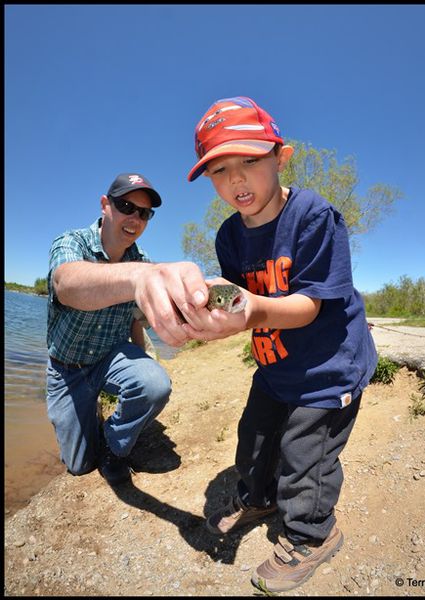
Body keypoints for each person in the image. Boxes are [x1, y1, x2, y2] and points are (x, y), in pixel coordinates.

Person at [184, 97, 378, 593]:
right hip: (275, 366)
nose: (236, 179)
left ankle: (313, 534)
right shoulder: (229, 235)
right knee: (254, 439)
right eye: (220, 170)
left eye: (249, 160)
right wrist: (204, 314)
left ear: (280, 156)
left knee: (305, 455)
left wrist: (252, 310)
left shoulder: (314, 216)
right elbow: (234, 300)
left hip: (327, 368)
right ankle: (259, 496)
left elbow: (311, 305)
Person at [46, 172, 221, 486]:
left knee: (154, 383)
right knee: (79, 466)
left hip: (110, 357)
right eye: (127, 206)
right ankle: (90, 417)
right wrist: (137, 279)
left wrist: (144, 369)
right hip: (66, 370)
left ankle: (115, 445)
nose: (135, 218)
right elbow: (66, 285)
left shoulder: (143, 262)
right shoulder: (71, 242)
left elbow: (136, 320)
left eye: (144, 213)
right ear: (105, 205)